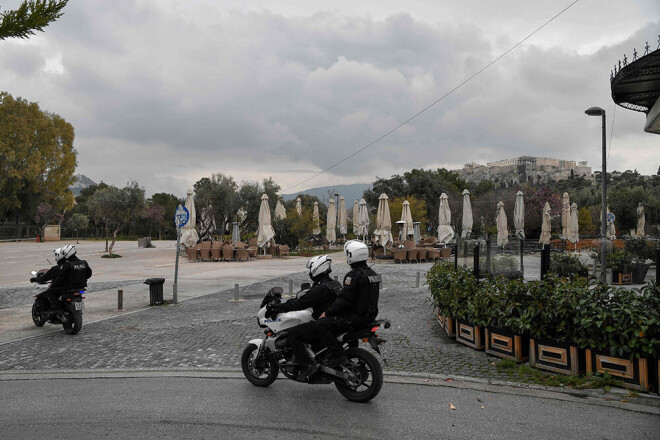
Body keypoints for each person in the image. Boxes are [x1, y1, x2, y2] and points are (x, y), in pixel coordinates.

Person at [265, 255, 341, 381]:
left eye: (311, 268)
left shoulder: (320, 288)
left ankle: (306, 367)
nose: (310, 271)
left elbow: (300, 303)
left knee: (293, 334)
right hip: (335, 322)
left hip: (326, 324)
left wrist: (278, 308)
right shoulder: (334, 284)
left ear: (317, 268)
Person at [315, 240, 381, 368]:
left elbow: (344, 300)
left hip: (356, 317)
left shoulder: (354, 275)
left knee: (321, 324)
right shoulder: (372, 274)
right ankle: (351, 353)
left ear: (352, 255)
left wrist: (327, 312)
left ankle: (337, 355)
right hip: (370, 316)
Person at [31, 244, 92, 318]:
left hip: (68, 288)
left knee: (50, 291)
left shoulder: (67, 265)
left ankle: (56, 308)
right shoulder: (84, 262)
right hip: (81, 288)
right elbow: (89, 274)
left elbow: (60, 278)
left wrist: (53, 285)